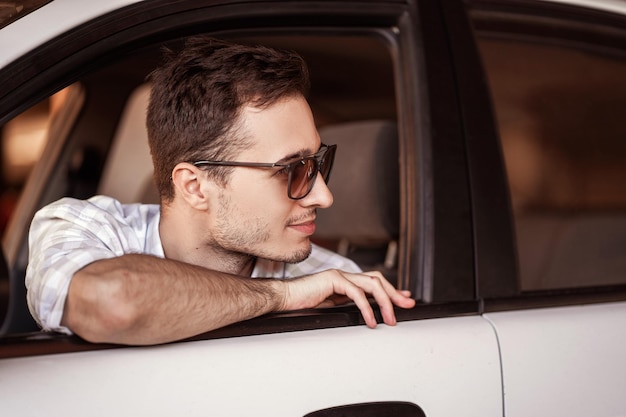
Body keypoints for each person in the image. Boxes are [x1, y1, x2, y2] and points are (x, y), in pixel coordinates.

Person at [25, 36, 415, 346]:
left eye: (317, 163)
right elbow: (114, 300)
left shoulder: (340, 284)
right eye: (293, 169)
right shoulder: (86, 228)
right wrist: (281, 296)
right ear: (195, 187)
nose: (323, 197)